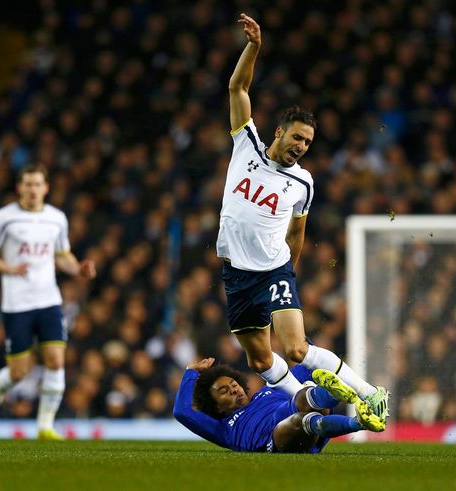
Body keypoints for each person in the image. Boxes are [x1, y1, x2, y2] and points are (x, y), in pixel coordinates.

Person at [216, 13, 389, 424]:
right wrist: (254, 47)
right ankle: (306, 403)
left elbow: (297, 233)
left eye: (308, 142)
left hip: (273, 271)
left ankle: (370, 393)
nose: (301, 147)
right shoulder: (247, 145)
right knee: (260, 359)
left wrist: (286, 276)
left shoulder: (304, 183)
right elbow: (237, 87)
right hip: (235, 274)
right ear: (278, 132)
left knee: (294, 348)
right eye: (297, 137)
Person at [0, 164, 96, 440]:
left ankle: (45, 426)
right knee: (19, 371)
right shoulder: (5, 218)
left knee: (55, 360)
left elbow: (62, 255)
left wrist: (78, 269)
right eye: (27, 184)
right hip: (17, 303)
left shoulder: (56, 219)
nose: (32, 189)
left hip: (49, 299)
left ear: (46, 188)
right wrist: (7, 268)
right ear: (19, 187)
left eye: (37, 184)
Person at [173, 357, 384, 453]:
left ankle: (332, 395)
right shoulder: (221, 429)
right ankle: (358, 421)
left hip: (302, 415)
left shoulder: (268, 391)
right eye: (224, 392)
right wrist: (191, 371)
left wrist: (303, 348)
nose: (234, 389)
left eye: (233, 384)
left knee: (299, 396)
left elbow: (306, 360)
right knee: (297, 419)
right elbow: (182, 412)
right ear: (216, 407)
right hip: (277, 441)